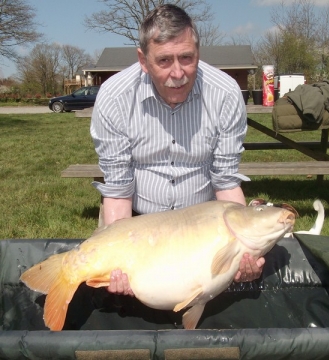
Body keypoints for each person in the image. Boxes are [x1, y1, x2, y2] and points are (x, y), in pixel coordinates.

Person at [90, 4, 265, 296]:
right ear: (143, 60)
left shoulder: (225, 94)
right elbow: (118, 190)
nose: (178, 72)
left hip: (205, 231)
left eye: (187, 58)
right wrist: (122, 260)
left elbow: (225, 180)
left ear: (198, 52)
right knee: (119, 291)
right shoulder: (114, 97)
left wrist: (245, 247)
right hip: (135, 223)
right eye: (164, 61)